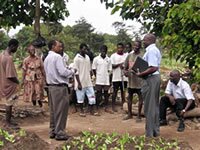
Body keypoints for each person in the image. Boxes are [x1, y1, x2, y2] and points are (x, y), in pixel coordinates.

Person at [44, 40, 75, 140]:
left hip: (51, 86)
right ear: (53, 46)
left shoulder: (47, 58)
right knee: (61, 110)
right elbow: (62, 72)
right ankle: (60, 132)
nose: (61, 48)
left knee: (54, 110)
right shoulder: (57, 57)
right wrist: (72, 71)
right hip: (59, 87)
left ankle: (53, 130)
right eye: (59, 46)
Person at [136, 34, 162, 137]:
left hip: (151, 79)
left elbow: (153, 68)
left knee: (149, 107)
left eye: (145, 40)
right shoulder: (154, 50)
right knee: (154, 106)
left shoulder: (151, 51)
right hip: (154, 78)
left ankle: (149, 133)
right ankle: (155, 131)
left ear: (150, 40)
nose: (143, 41)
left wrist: (140, 74)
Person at [73, 43, 98, 117]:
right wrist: (79, 83)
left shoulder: (87, 57)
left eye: (86, 49)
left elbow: (89, 69)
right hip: (80, 81)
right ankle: (81, 111)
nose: (85, 50)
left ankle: (91, 110)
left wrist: (92, 76)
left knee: (92, 96)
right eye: (84, 49)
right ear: (80, 49)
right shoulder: (77, 58)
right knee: (80, 98)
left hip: (88, 81)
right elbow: (76, 72)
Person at [0, 39, 20, 129]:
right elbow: (10, 75)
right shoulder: (8, 58)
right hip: (9, 84)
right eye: (16, 47)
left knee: (9, 103)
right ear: (12, 46)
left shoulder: (1, 55)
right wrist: (18, 81)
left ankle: (9, 120)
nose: (16, 49)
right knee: (9, 103)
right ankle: (8, 123)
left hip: (3, 82)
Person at [123, 40, 143, 121]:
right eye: (134, 45)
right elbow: (125, 67)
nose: (135, 47)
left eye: (137, 46)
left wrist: (137, 71)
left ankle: (138, 115)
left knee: (140, 98)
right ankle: (129, 114)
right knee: (129, 98)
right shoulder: (129, 56)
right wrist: (125, 72)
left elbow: (144, 69)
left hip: (140, 81)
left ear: (140, 47)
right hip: (131, 81)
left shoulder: (142, 56)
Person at [92, 45, 112, 113]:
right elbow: (94, 68)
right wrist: (97, 75)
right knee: (98, 93)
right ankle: (97, 107)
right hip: (99, 79)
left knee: (106, 93)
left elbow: (110, 69)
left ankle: (106, 107)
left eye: (105, 51)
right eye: (102, 51)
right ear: (100, 51)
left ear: (106, 51)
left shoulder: (108, 59)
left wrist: (107, 75)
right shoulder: (96, 59)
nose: (103, 52)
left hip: (106, 79)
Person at [110, 43, 128, 112]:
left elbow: (128, 65)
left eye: (121, 48)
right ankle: (113, 106)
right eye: (118, 48)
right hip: (116, 77)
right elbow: (112, 66)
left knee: (123, 91)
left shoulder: (126, 56)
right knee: (115, 91)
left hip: (124, 77)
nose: (120, 49)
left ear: (123, 48)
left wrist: (124, 66)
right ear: (117, 48)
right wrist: (119, 65)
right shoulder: (113, 56)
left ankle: (123, 105)